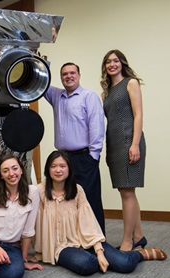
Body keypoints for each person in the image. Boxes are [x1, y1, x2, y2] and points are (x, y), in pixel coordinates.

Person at [32, 151, 167, 276]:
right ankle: (93, 257)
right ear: (47, 170)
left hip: (86, 240)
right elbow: (30, 220)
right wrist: (29, 251)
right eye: (53, 166)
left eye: (62, 166)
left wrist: (99, 251)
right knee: (87, 265)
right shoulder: (40, 191)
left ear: (69, 169)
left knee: (124, 264)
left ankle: (139, 254)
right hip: (61, 248)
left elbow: (89, 222)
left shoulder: (77, 190)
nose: (58, 170)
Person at [44, 62, 106, 234]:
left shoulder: (89, 96)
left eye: (72, 73)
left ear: (79, 75)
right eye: (64, 74)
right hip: (63, 159)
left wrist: (93, 156)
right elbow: (41, 84)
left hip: (84, 157)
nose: (68, 76)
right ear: (61, 77)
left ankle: (97, 241)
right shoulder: (56, 96)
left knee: (89, 200)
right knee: (67, 201)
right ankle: (73, 238)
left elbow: (97, 127)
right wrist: (41, 63)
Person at [100, 50, 147, 251]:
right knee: (125, 191)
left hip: (130, 142)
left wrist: (134, 144)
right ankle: (138, 235)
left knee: (128, 192)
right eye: (108, 62)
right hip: (114, 145)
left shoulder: (131, 83)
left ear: (122, 63)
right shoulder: (106, 92)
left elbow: (138, 115)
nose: (112, 64)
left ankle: (128, 240)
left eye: (115, 61)